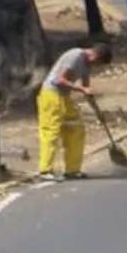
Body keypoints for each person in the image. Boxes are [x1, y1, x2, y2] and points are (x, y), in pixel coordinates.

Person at [36, 44, 110, 182]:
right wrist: (81, 89)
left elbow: (87, 89)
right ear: (95, 55)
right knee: (51, 132)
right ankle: (45, 170)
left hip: (64, 97)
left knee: (76, 129)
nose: (96, 66)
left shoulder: (87, 65)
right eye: (98, 63)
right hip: (51, 95)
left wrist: (98, 112)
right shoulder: (75, 56)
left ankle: (72, 170)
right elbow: (60, 80)